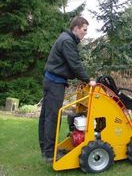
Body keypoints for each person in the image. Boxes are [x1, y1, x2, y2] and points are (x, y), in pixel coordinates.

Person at [38, 16, 96, 163]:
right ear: (76, 28)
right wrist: (88, 80)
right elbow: (75, 64)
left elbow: (70, 66)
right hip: (54, 83)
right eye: (84, 30)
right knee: (52, 117)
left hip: (52, 82)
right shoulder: (67, 41)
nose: (85, 33)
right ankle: (50, 154)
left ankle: (48, 150)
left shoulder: (66, 39)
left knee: (46, 116)